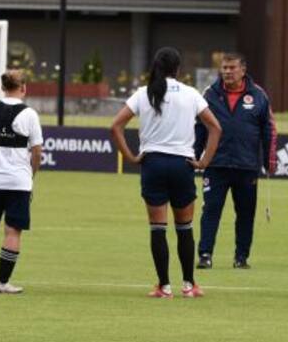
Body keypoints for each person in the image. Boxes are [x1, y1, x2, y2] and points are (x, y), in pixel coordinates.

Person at [110, 47, 222, 298]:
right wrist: (204, 161)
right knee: (185, 228)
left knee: (158, 228)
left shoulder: (143, 93)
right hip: (182, 165)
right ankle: (189, 284)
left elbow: (115, 126)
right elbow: (215, 127)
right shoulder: (191, 94)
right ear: (179, 69)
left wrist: (130, 157)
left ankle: (164, 286)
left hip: (153, 164)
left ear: (155, 66)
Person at [195, 53, 275, 270]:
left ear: (243, 70)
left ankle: (241, 257)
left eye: (232, 68)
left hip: (246, 166)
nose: (227, 72)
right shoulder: (209, 94)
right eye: (224, 68)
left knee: (246, 214)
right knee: (211, 210)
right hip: (216, 164)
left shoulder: (258, 95)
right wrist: (195, 155)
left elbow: (268, 129)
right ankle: (205, 254)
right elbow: (200, 127)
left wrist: (269, 159)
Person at [0, 70, 43, 294]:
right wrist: (30, 175)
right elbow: (37, 151)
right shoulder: (30, 114)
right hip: (18, 182)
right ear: (23, 88)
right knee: (12, 232)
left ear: (3, 87)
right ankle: (3, 283)